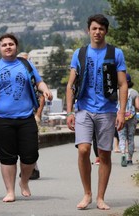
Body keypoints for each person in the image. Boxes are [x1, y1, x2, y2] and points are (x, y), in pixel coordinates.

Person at [0, 33, 53, 202]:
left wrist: (45, 89)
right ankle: (10, 191)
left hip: (26, 117)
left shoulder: (25, 64)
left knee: (31, 155)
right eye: (4, 45)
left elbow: (39, 82)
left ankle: (24, 182)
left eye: (11, 44)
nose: (8, 47)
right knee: (7, 156)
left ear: (16, 47)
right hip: (0, 118)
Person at [66, 14, 128, 210]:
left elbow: (122, 84)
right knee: (83, 149)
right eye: (94, 28)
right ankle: (87, 193)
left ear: (106, 31)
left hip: (107, 110)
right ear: (88, 31)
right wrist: (69, 112)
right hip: (84, 108)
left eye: (101, 29)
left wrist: (121, 112)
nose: (97, 32)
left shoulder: (115, 53)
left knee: (104, 153)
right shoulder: (80, 53)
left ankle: (101, 197)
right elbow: (70, 85)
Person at [17, 51, 44, 180]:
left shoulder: (32, 77)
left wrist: (38, 114)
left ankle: (33, 169)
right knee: (20, 145)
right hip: (18, 116)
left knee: (31, 144)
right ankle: (29, 169)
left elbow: (42, 96)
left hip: (32, 115)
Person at [117, 73, 139, 167]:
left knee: (122, 137)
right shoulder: (134, 92)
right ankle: (130, 159)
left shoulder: (118, 92)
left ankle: (123, 154)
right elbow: (138, 106)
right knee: (130, 138)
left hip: (120, 117)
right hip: (131, 118)